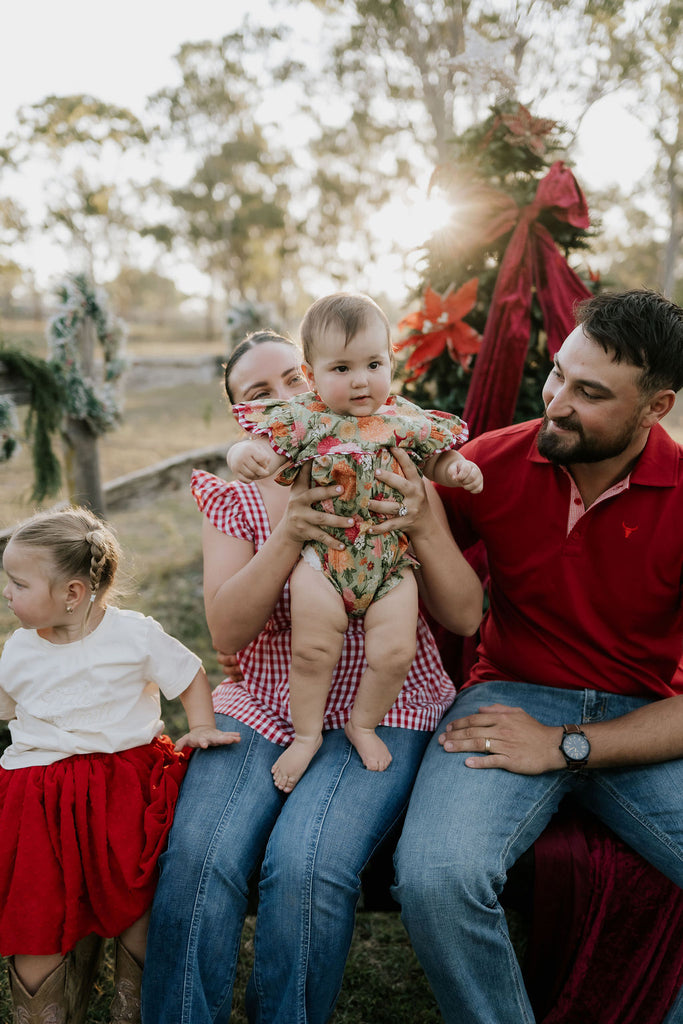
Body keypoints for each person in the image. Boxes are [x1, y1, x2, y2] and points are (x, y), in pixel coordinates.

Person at [141, 328, 483, 1024]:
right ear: (242, 416)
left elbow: (465, 615)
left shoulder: (393, 459)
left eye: (292, 380)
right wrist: (289, 532)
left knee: (305, 867)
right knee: (199, 861)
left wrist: (422, 522)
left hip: (385, 705)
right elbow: (228, 634)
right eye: (256, 393)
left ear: (318, 380)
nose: (282, 398)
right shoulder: (232, 499)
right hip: (268, 700)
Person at [394, 288, 683, 1024]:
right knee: (435, 877)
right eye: (558, 373)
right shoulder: (491, 463)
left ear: (655, 408)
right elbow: (389, 537)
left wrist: (562, 746)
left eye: (589, 393)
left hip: (646, 718)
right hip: (507, 695)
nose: (555, 401)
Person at [227, 294, 483, 791]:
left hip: (390, 565)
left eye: (373, 363)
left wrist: (457, 468)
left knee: (394, 652)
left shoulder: (401, 418)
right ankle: (305, 736)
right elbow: (266, 444)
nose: (361, 379)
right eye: (342, 367)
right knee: (312, 651)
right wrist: (244, 452)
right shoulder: (306, 418)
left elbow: (435, 458)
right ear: (313, 373)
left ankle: (361, 722)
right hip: (322, 560)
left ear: (391, 360)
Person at [0, 507, 239, 1024]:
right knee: (38, 910)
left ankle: (132, 1010)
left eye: (18, 583)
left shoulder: (133, 635)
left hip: (121, 787)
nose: (7, 593)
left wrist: (199, 724)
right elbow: (8, 710)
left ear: (73, 592)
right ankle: (44, 1010)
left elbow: (188, 671)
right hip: (39, 796)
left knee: (136, 898)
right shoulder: (16, 649)